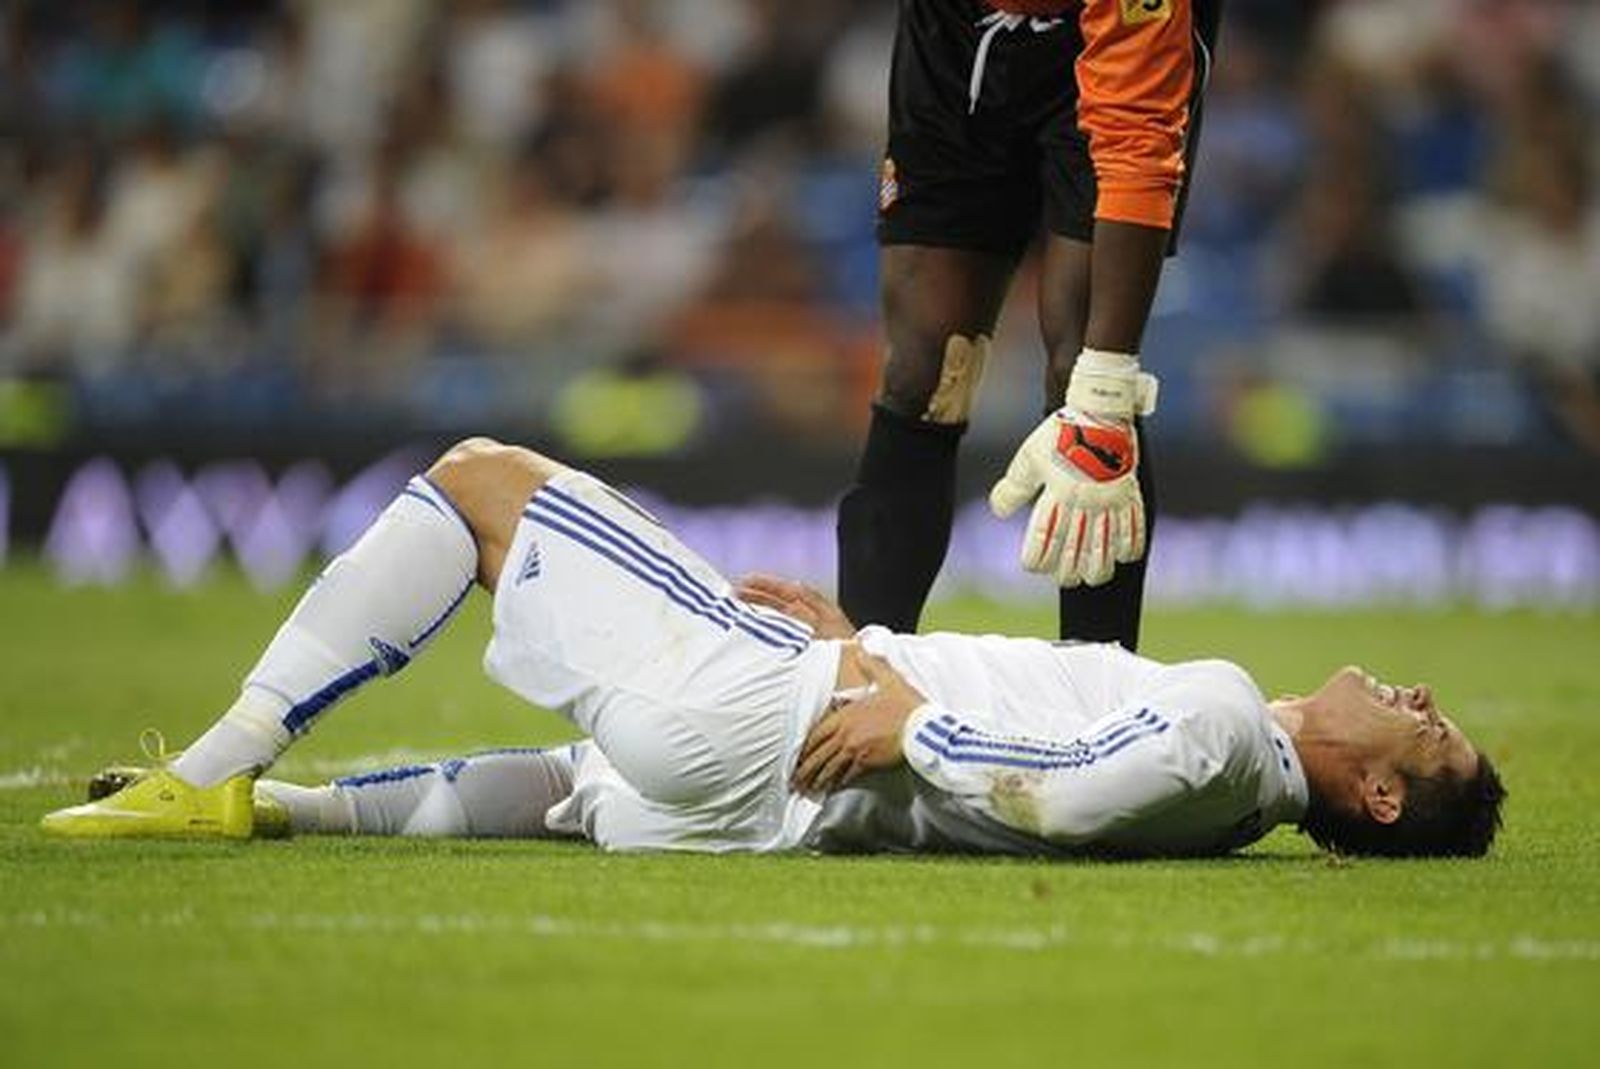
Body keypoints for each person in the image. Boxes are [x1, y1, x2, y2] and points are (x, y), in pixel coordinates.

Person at [44, 439, 1503, 859]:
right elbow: (1047, 724)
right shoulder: (1233, 785)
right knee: (565, 785)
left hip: (789, 720)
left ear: (1373, 797)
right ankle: (282, 807)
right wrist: (877, 644)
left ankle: (221, 764)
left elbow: (1056, 791)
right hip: (772, 792)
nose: (1424, 700)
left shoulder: (1227, 732)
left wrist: (900, 710)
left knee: (484, 483)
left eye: (1430, 739)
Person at [838, 0, 1223, 651]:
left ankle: (1102, 691)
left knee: (1084, 373)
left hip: (1110, 38)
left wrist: (1107, 383)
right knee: (924, 369)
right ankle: (854, 682)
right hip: (957, 28)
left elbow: (1136, 142)